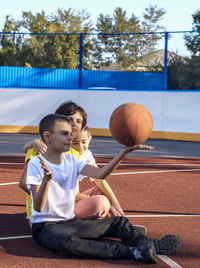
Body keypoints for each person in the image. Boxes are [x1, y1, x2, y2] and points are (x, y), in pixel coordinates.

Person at [26, 113, 182, 264]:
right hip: (46, 228)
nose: (70, 137)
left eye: (70, 133)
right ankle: (133, 252)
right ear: (47, 136)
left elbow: (100, 174)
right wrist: (47, 180)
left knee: (118, 222)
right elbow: (38, 208)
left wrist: (122, 154)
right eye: (64, 133)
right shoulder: (36, 163)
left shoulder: (71, 160)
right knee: (67, 243)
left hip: (71, 222)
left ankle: (145, 243)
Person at [72, 125, 146, 234]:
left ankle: (121, 223)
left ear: (90, 139)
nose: (80, 147)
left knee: (102, 192)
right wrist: (109, 205)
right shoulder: (68, 156)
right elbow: (75, 194)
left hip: (74, 201)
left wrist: (117, 206)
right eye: (75, 143)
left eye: (83, 142)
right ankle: (112, 227)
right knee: (101, 202)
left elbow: (99, 179)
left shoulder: (86, 154)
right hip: (65, 206)